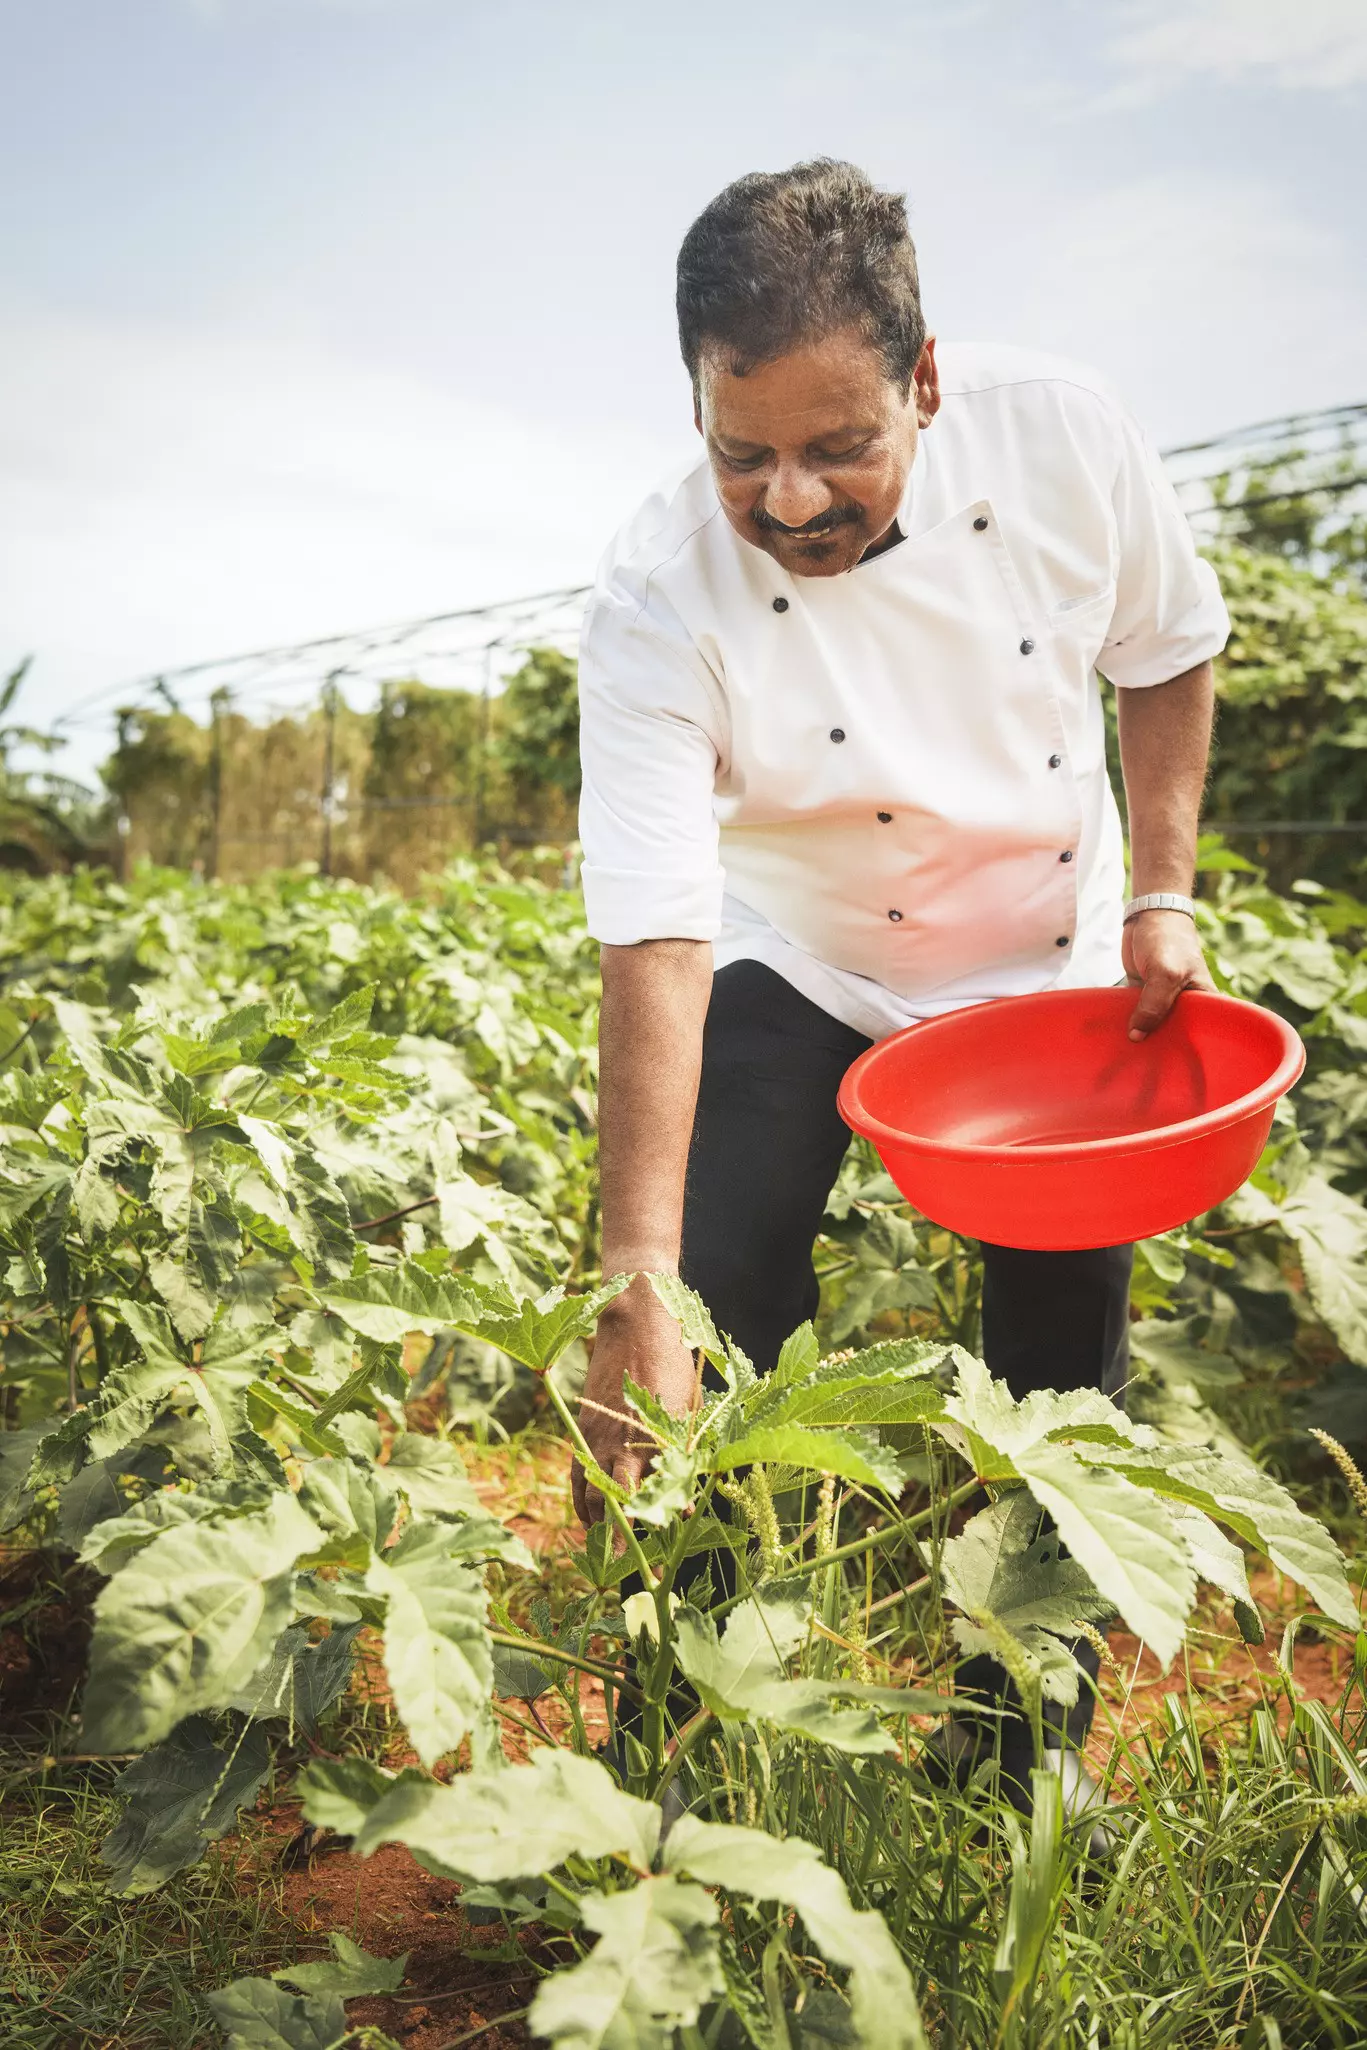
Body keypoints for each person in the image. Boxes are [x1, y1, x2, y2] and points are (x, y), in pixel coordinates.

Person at [570, 159, 1227, 1827]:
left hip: (1040, 946)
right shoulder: (655, 590)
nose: (788, 497)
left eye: (837, 444)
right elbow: (652, 923)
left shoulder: (1064, 436)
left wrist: (1158, 888)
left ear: (924, 380)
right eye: (742, 453)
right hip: (801, 946)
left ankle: (1026, 1750)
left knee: (1055, 1358)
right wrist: (627, 1276)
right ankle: (696, 1723)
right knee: (710, 1284)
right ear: (695, 412)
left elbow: (1165, 643)